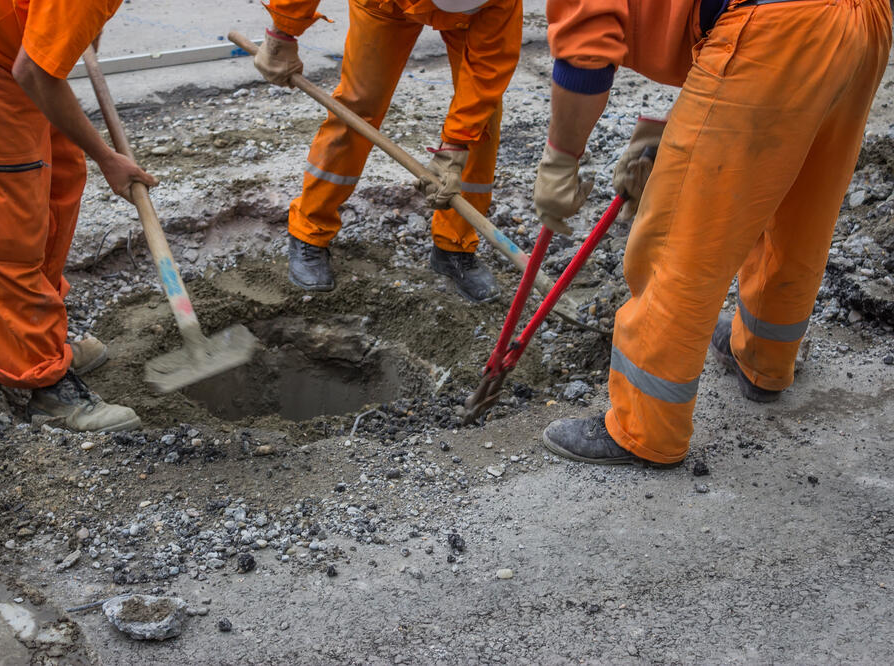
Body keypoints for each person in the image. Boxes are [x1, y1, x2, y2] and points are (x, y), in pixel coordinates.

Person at [533, 0, 891, 465]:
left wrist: (562, 157)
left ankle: (644, 429)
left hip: (776, 31)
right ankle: (763, 361)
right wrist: (689, 118)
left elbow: (585, 52)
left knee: (679, 236)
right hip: (862, 22)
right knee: (799, 205)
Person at [0, 0, 158, 432]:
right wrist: (107, 158)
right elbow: (33, 72)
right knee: (5, 216)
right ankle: (44, 382)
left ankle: (44, 336)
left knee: (61, 175)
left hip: (11, 36)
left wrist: (72, 33)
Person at [254, 0, 522, 303]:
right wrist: (282, 32)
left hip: (474, 17)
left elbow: (488, 69)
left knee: (480, 123)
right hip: (385, 4)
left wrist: (455, 146)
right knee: (358, 105)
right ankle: (309, 230)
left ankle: (454, 246)